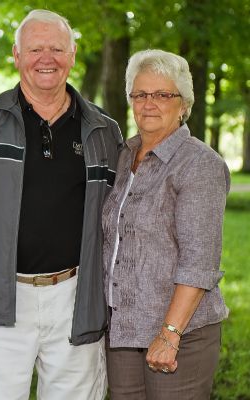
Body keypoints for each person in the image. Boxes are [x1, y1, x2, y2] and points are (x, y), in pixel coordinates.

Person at [0, 9, 122, 400]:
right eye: (35, 49)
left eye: (56, 48)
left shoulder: (103, 130)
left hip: (76, 298)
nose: (46, 58)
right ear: (17, 56)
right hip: (0, 297)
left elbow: (120, 219)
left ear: (72, 54)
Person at [102, 49, 229, 399]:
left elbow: (199, 262)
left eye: (162, 94)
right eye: (140, 94)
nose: (149, 103)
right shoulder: (125, 155)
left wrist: (169, 333)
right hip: (125, 331)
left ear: (183, 102)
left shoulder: (198, 165)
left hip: (180, 334)